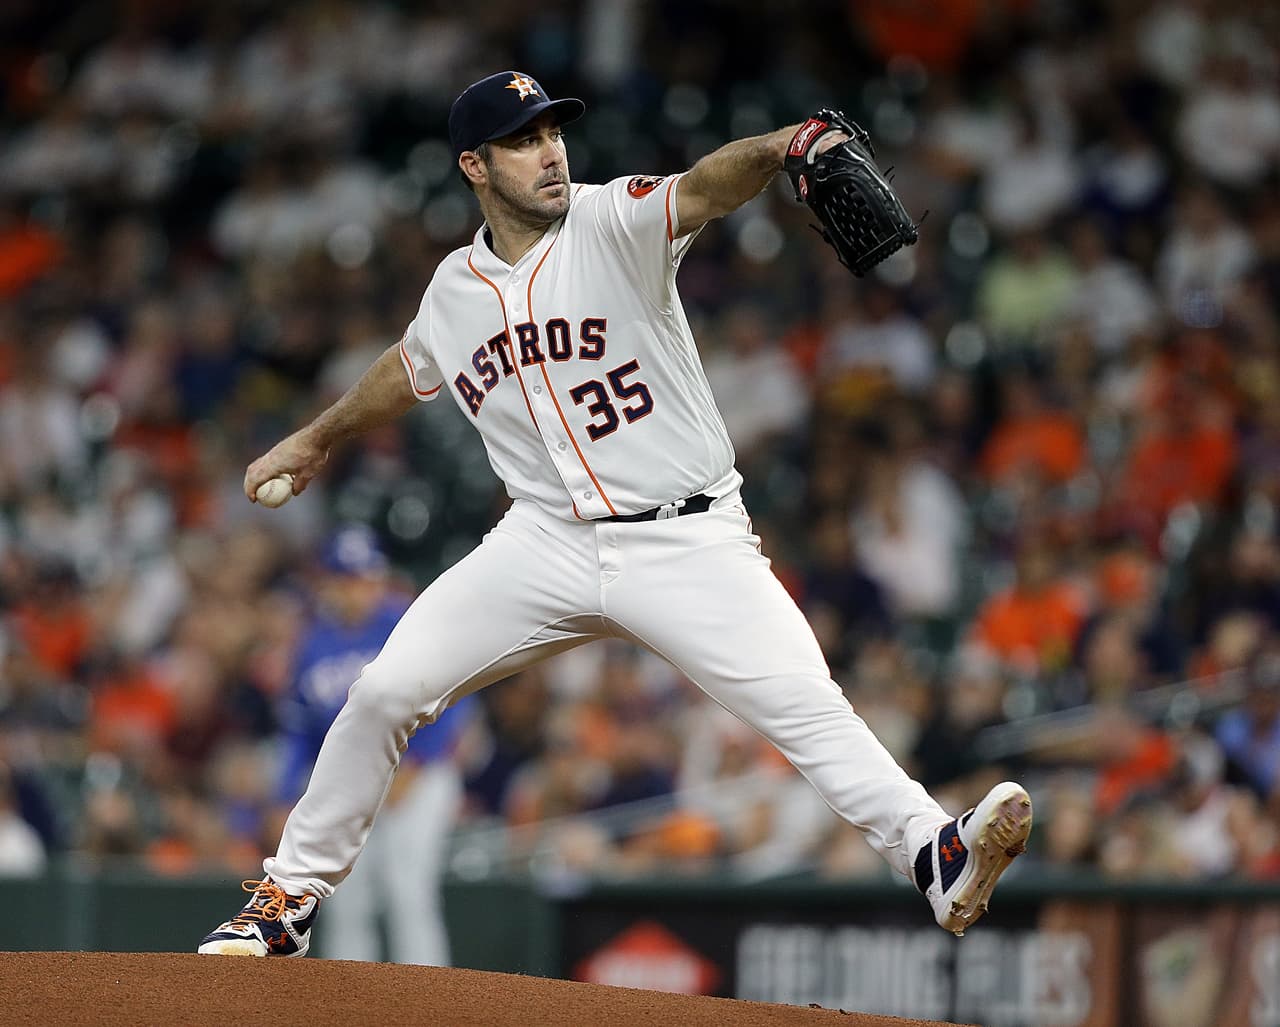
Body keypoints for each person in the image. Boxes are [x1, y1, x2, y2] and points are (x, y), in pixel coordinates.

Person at [198, 70, 1032, 959]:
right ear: (475, 166)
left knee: (804, 704)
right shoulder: (454, 289)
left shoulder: (612, 219)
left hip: (686, 536)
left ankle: (932, 852)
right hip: (542, 541)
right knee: (381, 691)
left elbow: (706, 186)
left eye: (553, 132)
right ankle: (287, 897)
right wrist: (316, 438)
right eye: (524, 140)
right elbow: (409, 366)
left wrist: (782, 145)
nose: (550, 152)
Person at [274, 525, 472, 964]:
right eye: (348, 579)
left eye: (366, 577)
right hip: (353, 780)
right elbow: (300, 729)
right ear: (328, 583)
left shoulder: (406, 621)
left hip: (417, 779)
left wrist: (417, 764)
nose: (359, 588)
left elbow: (456, 697)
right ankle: (353, 998)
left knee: (407, 889)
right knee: (344, 898)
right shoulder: (313, 643)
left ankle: (425, 994)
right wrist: (285, 793)